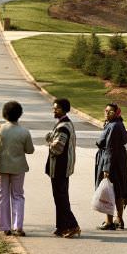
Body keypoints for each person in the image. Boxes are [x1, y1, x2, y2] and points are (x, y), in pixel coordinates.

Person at [0, 100, 34, 236]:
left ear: (4, 114)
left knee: (3, 195)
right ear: (19, 114)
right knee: (18, 195)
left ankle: (5, 226)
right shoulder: (24, 132)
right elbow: (30, 150)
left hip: (1, 167)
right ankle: (18, 226)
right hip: (19, 168)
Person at [45, 98, 81, 238]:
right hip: (64, 167)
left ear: (64, 110)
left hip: (60, 167)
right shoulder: (65, 123)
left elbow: (58, 147)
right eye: (54, 108)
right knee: (59, 197)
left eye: (57, 108)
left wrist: (49, 140)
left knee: (61, 198)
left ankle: (72, 226)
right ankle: (61, 226)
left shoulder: (63, 127)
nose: (54, 110)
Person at [94, 102, 127, 230]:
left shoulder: (114, 126)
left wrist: (106, 169)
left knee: (108, 191)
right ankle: (119, 219)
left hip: (111, 162)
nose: (107, 113)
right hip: (119, 161)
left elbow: (110, 148)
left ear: (116, 113)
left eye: (110, 112)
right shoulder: (116, 124)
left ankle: (109, 221)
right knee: (118, 190)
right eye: (106, 110)